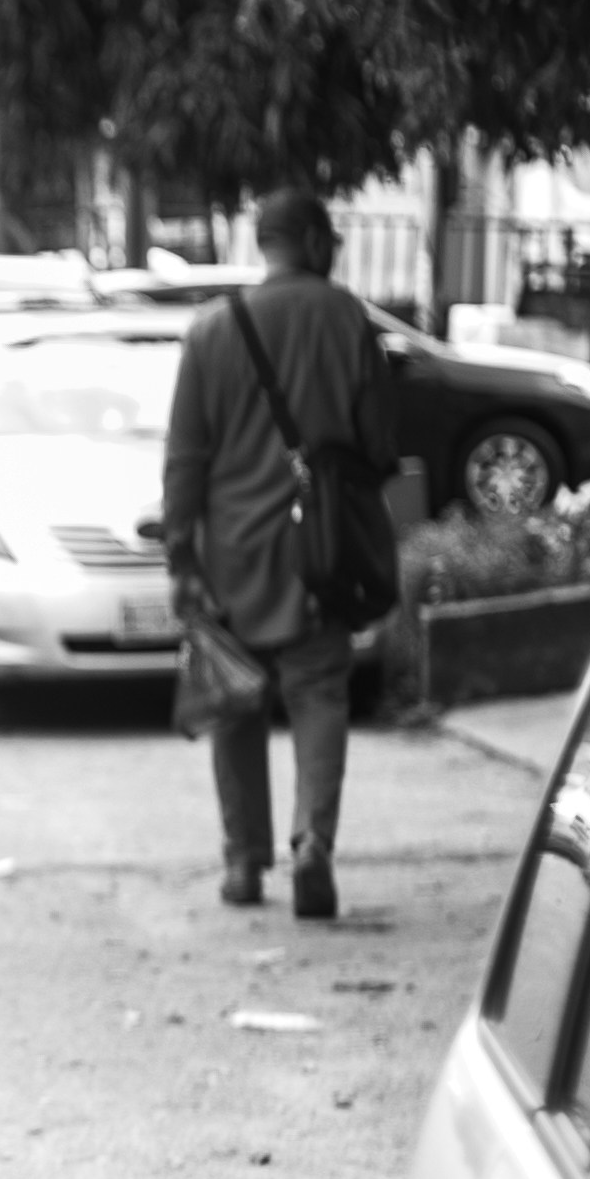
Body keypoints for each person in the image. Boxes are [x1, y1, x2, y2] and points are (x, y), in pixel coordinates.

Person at [162, 188, 406, 921]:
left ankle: (243, 863)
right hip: (319, 552)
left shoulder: (210, 331)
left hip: (232, 555)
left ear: (262, 242)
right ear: (311, 240)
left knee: (234, 703)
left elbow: (185, 459)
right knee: (319, 692)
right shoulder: (345, 317)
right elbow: (381, 447)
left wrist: (181, 556)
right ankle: (311, 845)